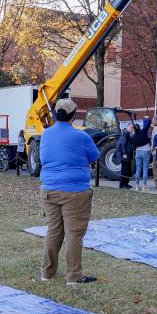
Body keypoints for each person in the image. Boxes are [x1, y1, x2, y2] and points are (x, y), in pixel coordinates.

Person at [38, 98, 99, 285]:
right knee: (74, 234)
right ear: (73, 116)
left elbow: (43, 158)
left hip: (48, 189)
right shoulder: (81, 136)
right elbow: (95, 155)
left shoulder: (46, 134)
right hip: (74, 192)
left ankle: (46, 274)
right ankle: (73, 276)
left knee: (53, 231)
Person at [133, 124, 153, 191]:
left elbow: (133, 145)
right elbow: (147, 124)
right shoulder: (143, 131)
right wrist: (147, 118)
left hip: (138, 152)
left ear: (134, 129)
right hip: (146, 152)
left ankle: (137, 186)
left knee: (138, 170)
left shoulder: (134, 136)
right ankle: (144, 186)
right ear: (139, 127)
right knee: (145, 169)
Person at [116, 124, 135, 189]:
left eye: (132, 128)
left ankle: (126, 184)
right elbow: (122, 144)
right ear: (127, 127)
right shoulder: (125, 134)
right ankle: (122, 185)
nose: (132, 129)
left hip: (128, 155)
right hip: (125, 155)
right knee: (124, 170)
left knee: (128, 170)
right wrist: (124, 153)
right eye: (131, 127)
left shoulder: (129, 134)